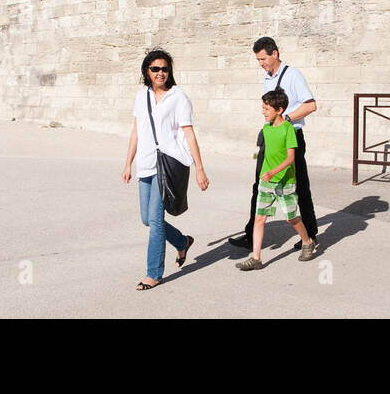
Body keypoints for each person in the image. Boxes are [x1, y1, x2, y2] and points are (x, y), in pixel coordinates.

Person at [122, 48, 210, 290]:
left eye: (164, 68)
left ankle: (154, 273)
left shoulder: (178, 97)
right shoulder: (142, 96)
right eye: (155, 69)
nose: (160, 73)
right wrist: (128, 163)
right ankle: (182, 242)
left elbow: (188, 133)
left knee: (156, 222)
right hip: (146, 164)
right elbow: (136, 131)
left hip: (168, 164)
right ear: (147, 71)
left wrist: (199, 168)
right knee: (146, 219)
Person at [228, 37, 319, 251]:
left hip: (291, 136)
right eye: (258, 60)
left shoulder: (293, 75)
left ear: (275, 54)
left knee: (300, 187)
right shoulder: (268, 79)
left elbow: (311, 105)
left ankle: (311, 234)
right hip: (270, 139)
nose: (261, 63)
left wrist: (286, 119)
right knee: (259, 184)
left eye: (263, 59)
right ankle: (252, 234)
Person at [235, 89, 318, 270]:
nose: (263, 112)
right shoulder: (266, 129)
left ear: (279, 110)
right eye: (263, 108)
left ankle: (307, 241)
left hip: (284, 182)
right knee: (259, 219)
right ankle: (256, 258)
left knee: (291, 218)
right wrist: (264, 174)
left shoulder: (288, 129)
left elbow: (290, 159)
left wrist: (273, 172)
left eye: (266, 109)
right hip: (266, 183)